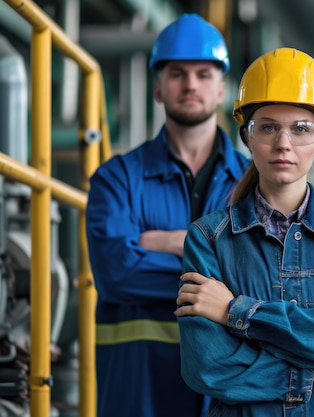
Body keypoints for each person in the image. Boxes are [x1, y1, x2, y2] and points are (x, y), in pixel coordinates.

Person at [174, 47, 314, 416]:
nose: (283, 144)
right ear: (246, 136)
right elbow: (208, 368)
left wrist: (235, 313)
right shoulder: (207, 238)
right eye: (268, 127)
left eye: (301, 129)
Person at [85, 14, 249, 417]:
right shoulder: (117, 178)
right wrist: (216, 275)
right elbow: (116, 274)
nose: (190, 84)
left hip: (228, 391)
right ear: (158, 88)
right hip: (138, 391)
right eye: (177, 73)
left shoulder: (254, 181)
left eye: (203, 74)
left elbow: (266, 277)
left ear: (222, 88)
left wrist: (175, 242)